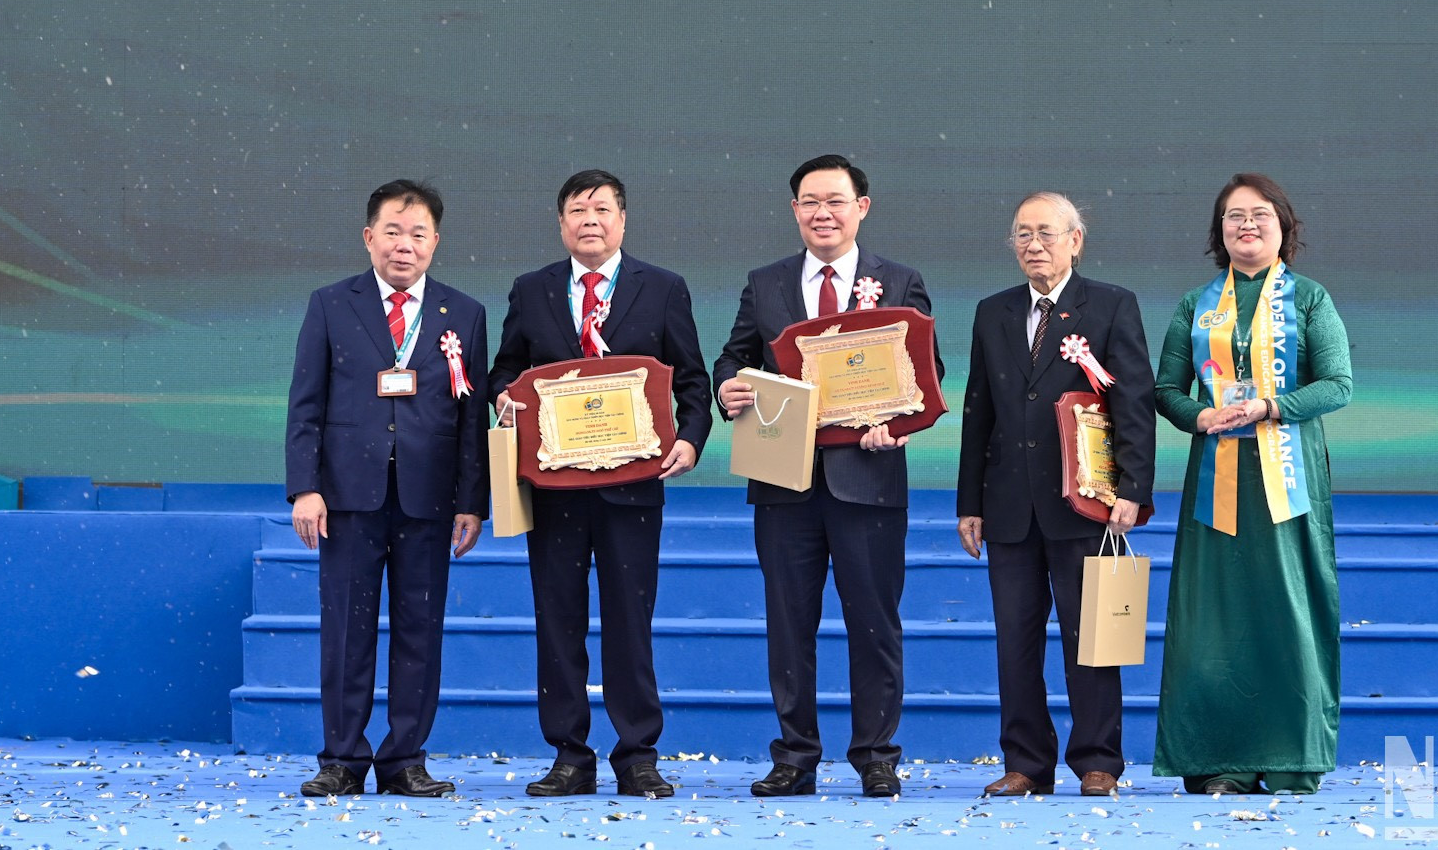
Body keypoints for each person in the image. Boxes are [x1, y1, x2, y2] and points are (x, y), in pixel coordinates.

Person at [713, 154, 938, 799]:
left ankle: (876, 755)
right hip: (784, 479)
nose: (823, 213)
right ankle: (795, 756)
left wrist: (895, 423)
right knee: (788, 624)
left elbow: (928, 371)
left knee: (874, 622)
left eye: (836, 201)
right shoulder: (766, 283)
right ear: (794, 211)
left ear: (861, 208)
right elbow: (737, 354)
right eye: (810, 202)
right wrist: (732, 382)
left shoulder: (899, 280)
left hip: (867, 477)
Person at [489, 169, 712, 799]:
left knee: (629, 621)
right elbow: (506, 371)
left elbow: (692, 381)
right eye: (577, 210)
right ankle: (569, 753)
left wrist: (690, 440)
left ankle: (637, 752)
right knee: (556, 618)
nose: (590, 219)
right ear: (561, 223)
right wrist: (506, 400)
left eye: (602, 209)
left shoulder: (664, 288)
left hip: (634, 490)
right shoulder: (532, 290)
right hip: (553, 487)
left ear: (623, 220)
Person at [285, 179, 490, 798]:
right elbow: (306, 404)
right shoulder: (330, 304)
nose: (405, 245)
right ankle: (342, 758)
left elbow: (471, 420)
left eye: (418, 234)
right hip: (347, 498)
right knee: (345, 629)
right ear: (369, 237)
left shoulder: (466, 314)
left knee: (419, 629)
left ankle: (406, 759)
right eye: (393, 232)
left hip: (429, 501)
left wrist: (471, 502)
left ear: (436, 242)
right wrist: (305, 488)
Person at [1151, 173, 1352, 795]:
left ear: (1283, 226)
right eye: (1233, 216)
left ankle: (1291, 756)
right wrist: (1198, 415)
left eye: (1259, 215)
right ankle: (1220, 760)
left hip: (1287, 481)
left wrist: (1270, 407)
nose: (1246, 226)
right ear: (1219, 232)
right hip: (1215, 486)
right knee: (1216, 616)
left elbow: (1337, 384)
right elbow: (1164, 389)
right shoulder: (1195, 304)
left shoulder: (1311, 299)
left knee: (1286, 608)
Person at [956, 192, 1158, 797]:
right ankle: (1025, 763)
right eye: (1022, 234)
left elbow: (1134, 403)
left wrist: (1133, 486)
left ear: (1076, 239)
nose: (1033, 245)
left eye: (1045, 233)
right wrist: (971, 502)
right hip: (1010, 508)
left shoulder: (1111, 306)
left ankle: (1098, 760)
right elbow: (978, 412)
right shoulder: (992, 312)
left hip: (1086, 503)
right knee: (1014, 639)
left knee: (1090, 635)